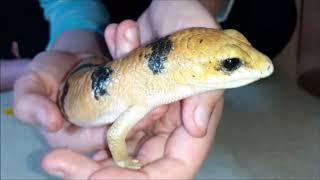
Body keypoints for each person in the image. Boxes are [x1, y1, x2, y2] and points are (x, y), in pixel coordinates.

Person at [12, 0, 231, 178]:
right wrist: (123, 160)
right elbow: (115, 134)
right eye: (229, 64)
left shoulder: (148, 89)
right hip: (81, 76)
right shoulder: (143, 95)